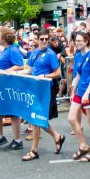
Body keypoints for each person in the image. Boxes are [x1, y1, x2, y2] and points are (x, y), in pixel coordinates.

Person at [22, 33, 64, 161]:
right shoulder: (34, 53)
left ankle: (34, 150)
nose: (44, 41)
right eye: (42, 39)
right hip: (35, 88)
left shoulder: (51, 54)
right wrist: (10, 72)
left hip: (46, 89)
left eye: (47, 39)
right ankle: (57, 137)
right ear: (38, 40)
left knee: (36, 118)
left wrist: (44, 77)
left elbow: (58, 73)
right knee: (37, 118)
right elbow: (28, 71)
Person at [0, 27, 25, 150]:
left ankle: (17, 140)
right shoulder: (5, 49)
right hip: (0, 85)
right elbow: (0, 49)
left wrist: (5, 71)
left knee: (13, 113)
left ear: (4, 38)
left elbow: (20, 65)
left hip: (9, 86)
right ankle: (0, 137)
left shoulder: (13, 50)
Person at [67, 31, 90, 163]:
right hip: (80, 91)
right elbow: (78, 75)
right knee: (71, 118)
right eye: (76, 40)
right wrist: (73, 90)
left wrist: (87, 93)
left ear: (86, 41)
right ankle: (83, 145)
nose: (78, 43)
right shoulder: (77, 54)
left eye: (80, 41)